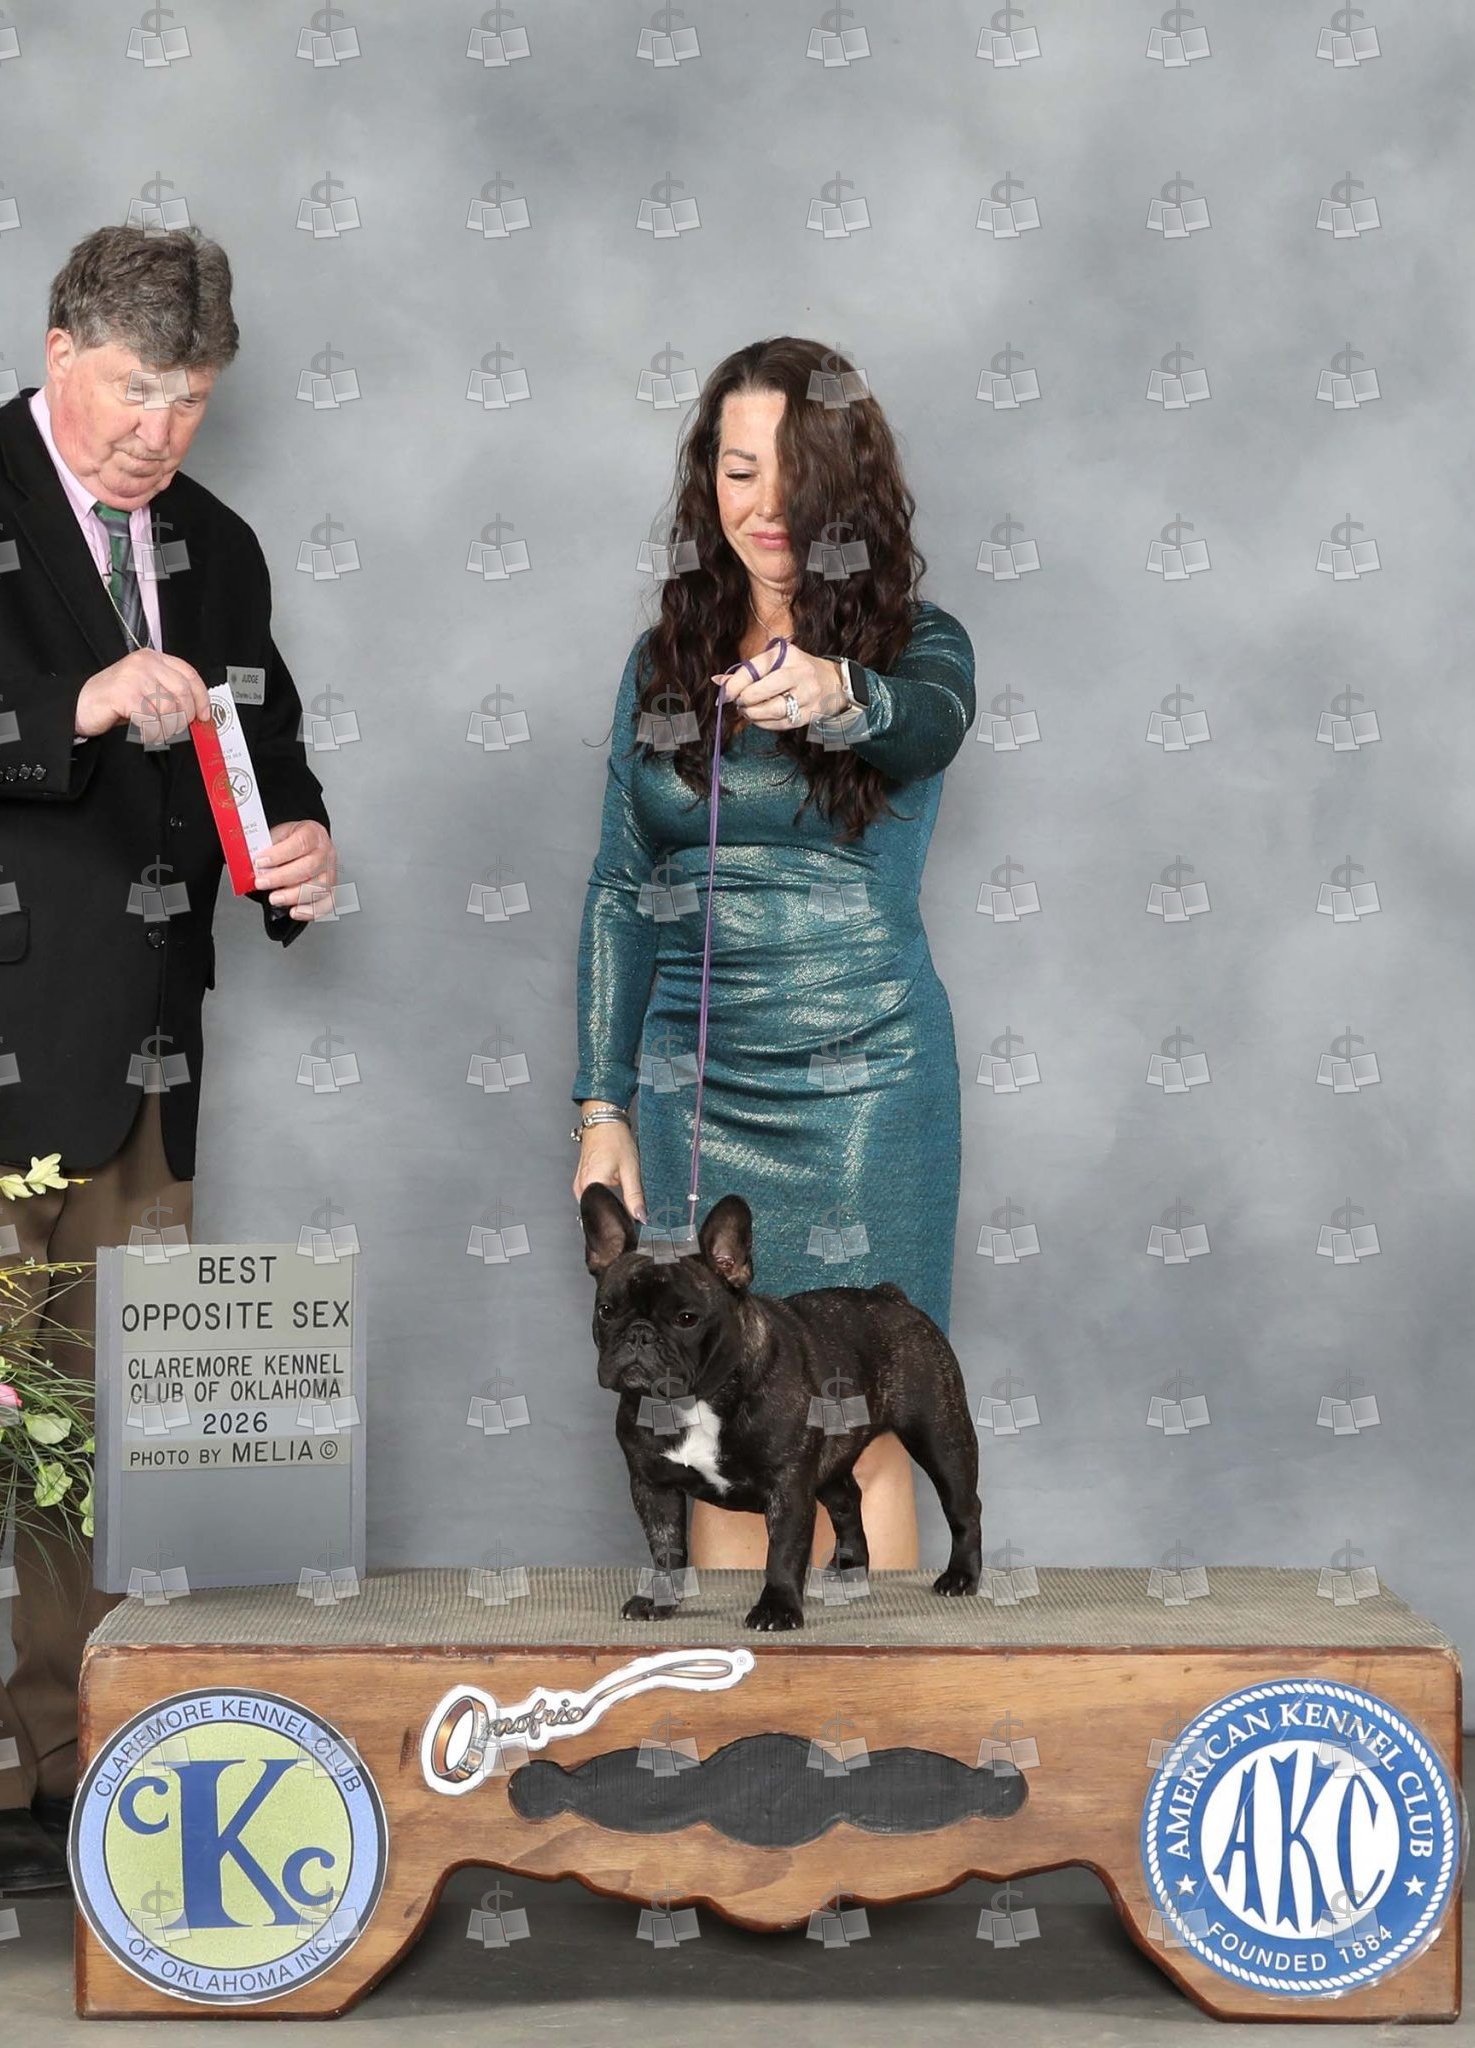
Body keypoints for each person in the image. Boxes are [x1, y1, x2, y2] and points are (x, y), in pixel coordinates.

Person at [0, 223, 336, 1894]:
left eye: (190, 399)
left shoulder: (217, 543)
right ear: (57, 353)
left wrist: (302, 846)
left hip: (147, 1063)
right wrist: (77, 703)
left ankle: (69, 1753)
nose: (155, 431)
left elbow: (264, 742)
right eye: (130, 388)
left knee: (103, 1440)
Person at [569, 335, 974, 1583]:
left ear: (849, 480)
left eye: (795, 472)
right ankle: (747, 1708)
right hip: (695, 1086)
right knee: (705, 1416)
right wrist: (601, 1104)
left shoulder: (922, 644)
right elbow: (617, 886)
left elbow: (929, 724)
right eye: (739, 471)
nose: (766, 505)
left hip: (865, 1086)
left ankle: (873, 1692)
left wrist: (840, 692)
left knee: (854, 1424)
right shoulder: (661, 660)